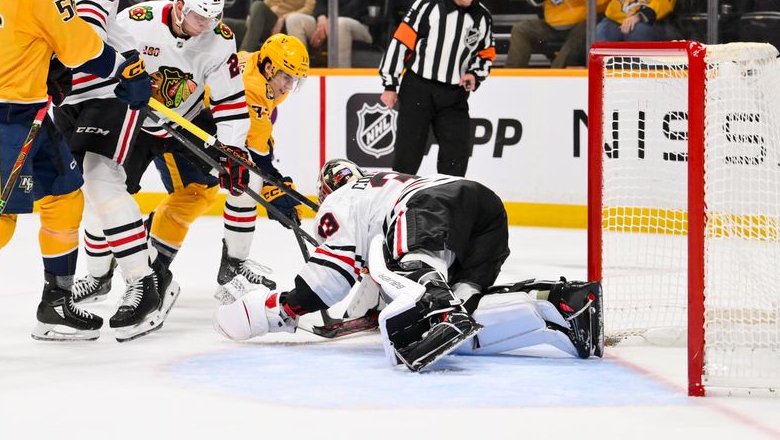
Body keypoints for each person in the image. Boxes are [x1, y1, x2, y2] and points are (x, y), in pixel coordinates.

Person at [213, 159, 604, 371]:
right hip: (483, 210)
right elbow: (366, 283)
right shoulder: (381, 185)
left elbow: (331, 277)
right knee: (465, 306)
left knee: (407, 266)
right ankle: (562, 304)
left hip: (426, 205)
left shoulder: (341, 200)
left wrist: (283, 308)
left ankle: (443, 308)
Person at [0, 0, 151, 339]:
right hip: (0, 118)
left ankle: (56, 302)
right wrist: (124, 69)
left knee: (65, 194)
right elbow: (83, 48)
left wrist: (43, 68)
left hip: (28, 115)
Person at [69, 0, 254, 321]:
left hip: (188, 120)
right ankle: (98, 276)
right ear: (179, 6)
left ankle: (209, 263)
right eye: (200, 17)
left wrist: (233, 151)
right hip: (135, 120)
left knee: (229, 183)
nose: (207, 25)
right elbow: (100, 60)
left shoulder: (219, 39)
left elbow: (230, 102)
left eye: (214, 17)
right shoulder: (137, 21)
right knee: (100, 196)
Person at [43, 0, 181, 341]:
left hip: (112, 85)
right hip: (66, 96)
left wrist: (51, 66)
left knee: (102, 179)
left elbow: (89, 30)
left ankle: (144, 284)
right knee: (79, 189)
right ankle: (102, 278)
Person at [379, 0, 494, 177]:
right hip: (418, 88)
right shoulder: (429, 3)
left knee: (456, 157)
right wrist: (390, 84)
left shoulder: (483, 18)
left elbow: (485, 53)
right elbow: (402, 41)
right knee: (407, 157)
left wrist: (474, 74)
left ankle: (449, 199)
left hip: (454, 95)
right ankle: (399, 197)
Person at [216, 34, 309, 288]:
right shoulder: (254, 89)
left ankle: (232, 264)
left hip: (211, 126)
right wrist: (274, 184)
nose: (289, 86)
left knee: (198, 195)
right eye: (286, 77)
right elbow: (255, 153)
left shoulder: (255, 62)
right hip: (201, 129)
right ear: (269, 68)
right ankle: (233, 266)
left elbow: (258, 137)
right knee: (248, 183)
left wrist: (274, 181)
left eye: (295, 80)